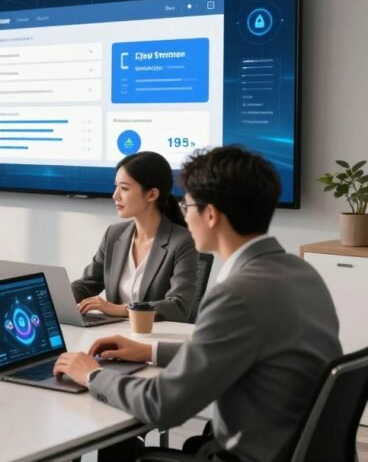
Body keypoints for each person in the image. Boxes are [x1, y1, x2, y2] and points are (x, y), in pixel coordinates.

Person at [54, 146, 341, 462]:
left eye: (186, 204)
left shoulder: (236, 295)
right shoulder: (302, 272)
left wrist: (92, 375)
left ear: (211, 214)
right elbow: (238, 350)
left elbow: (162, 406)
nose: (183, 213)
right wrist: (149, 351)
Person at [71, 151, 199, 322]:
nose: (115, 195)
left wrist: (118, 309)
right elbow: (87, 285)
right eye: (116, 186)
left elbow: (178, 306)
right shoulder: (114, 234)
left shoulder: (182, 241)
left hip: (154, 339)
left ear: (152, 194)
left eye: (124, 188)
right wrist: (53, 297)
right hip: (114, 334)